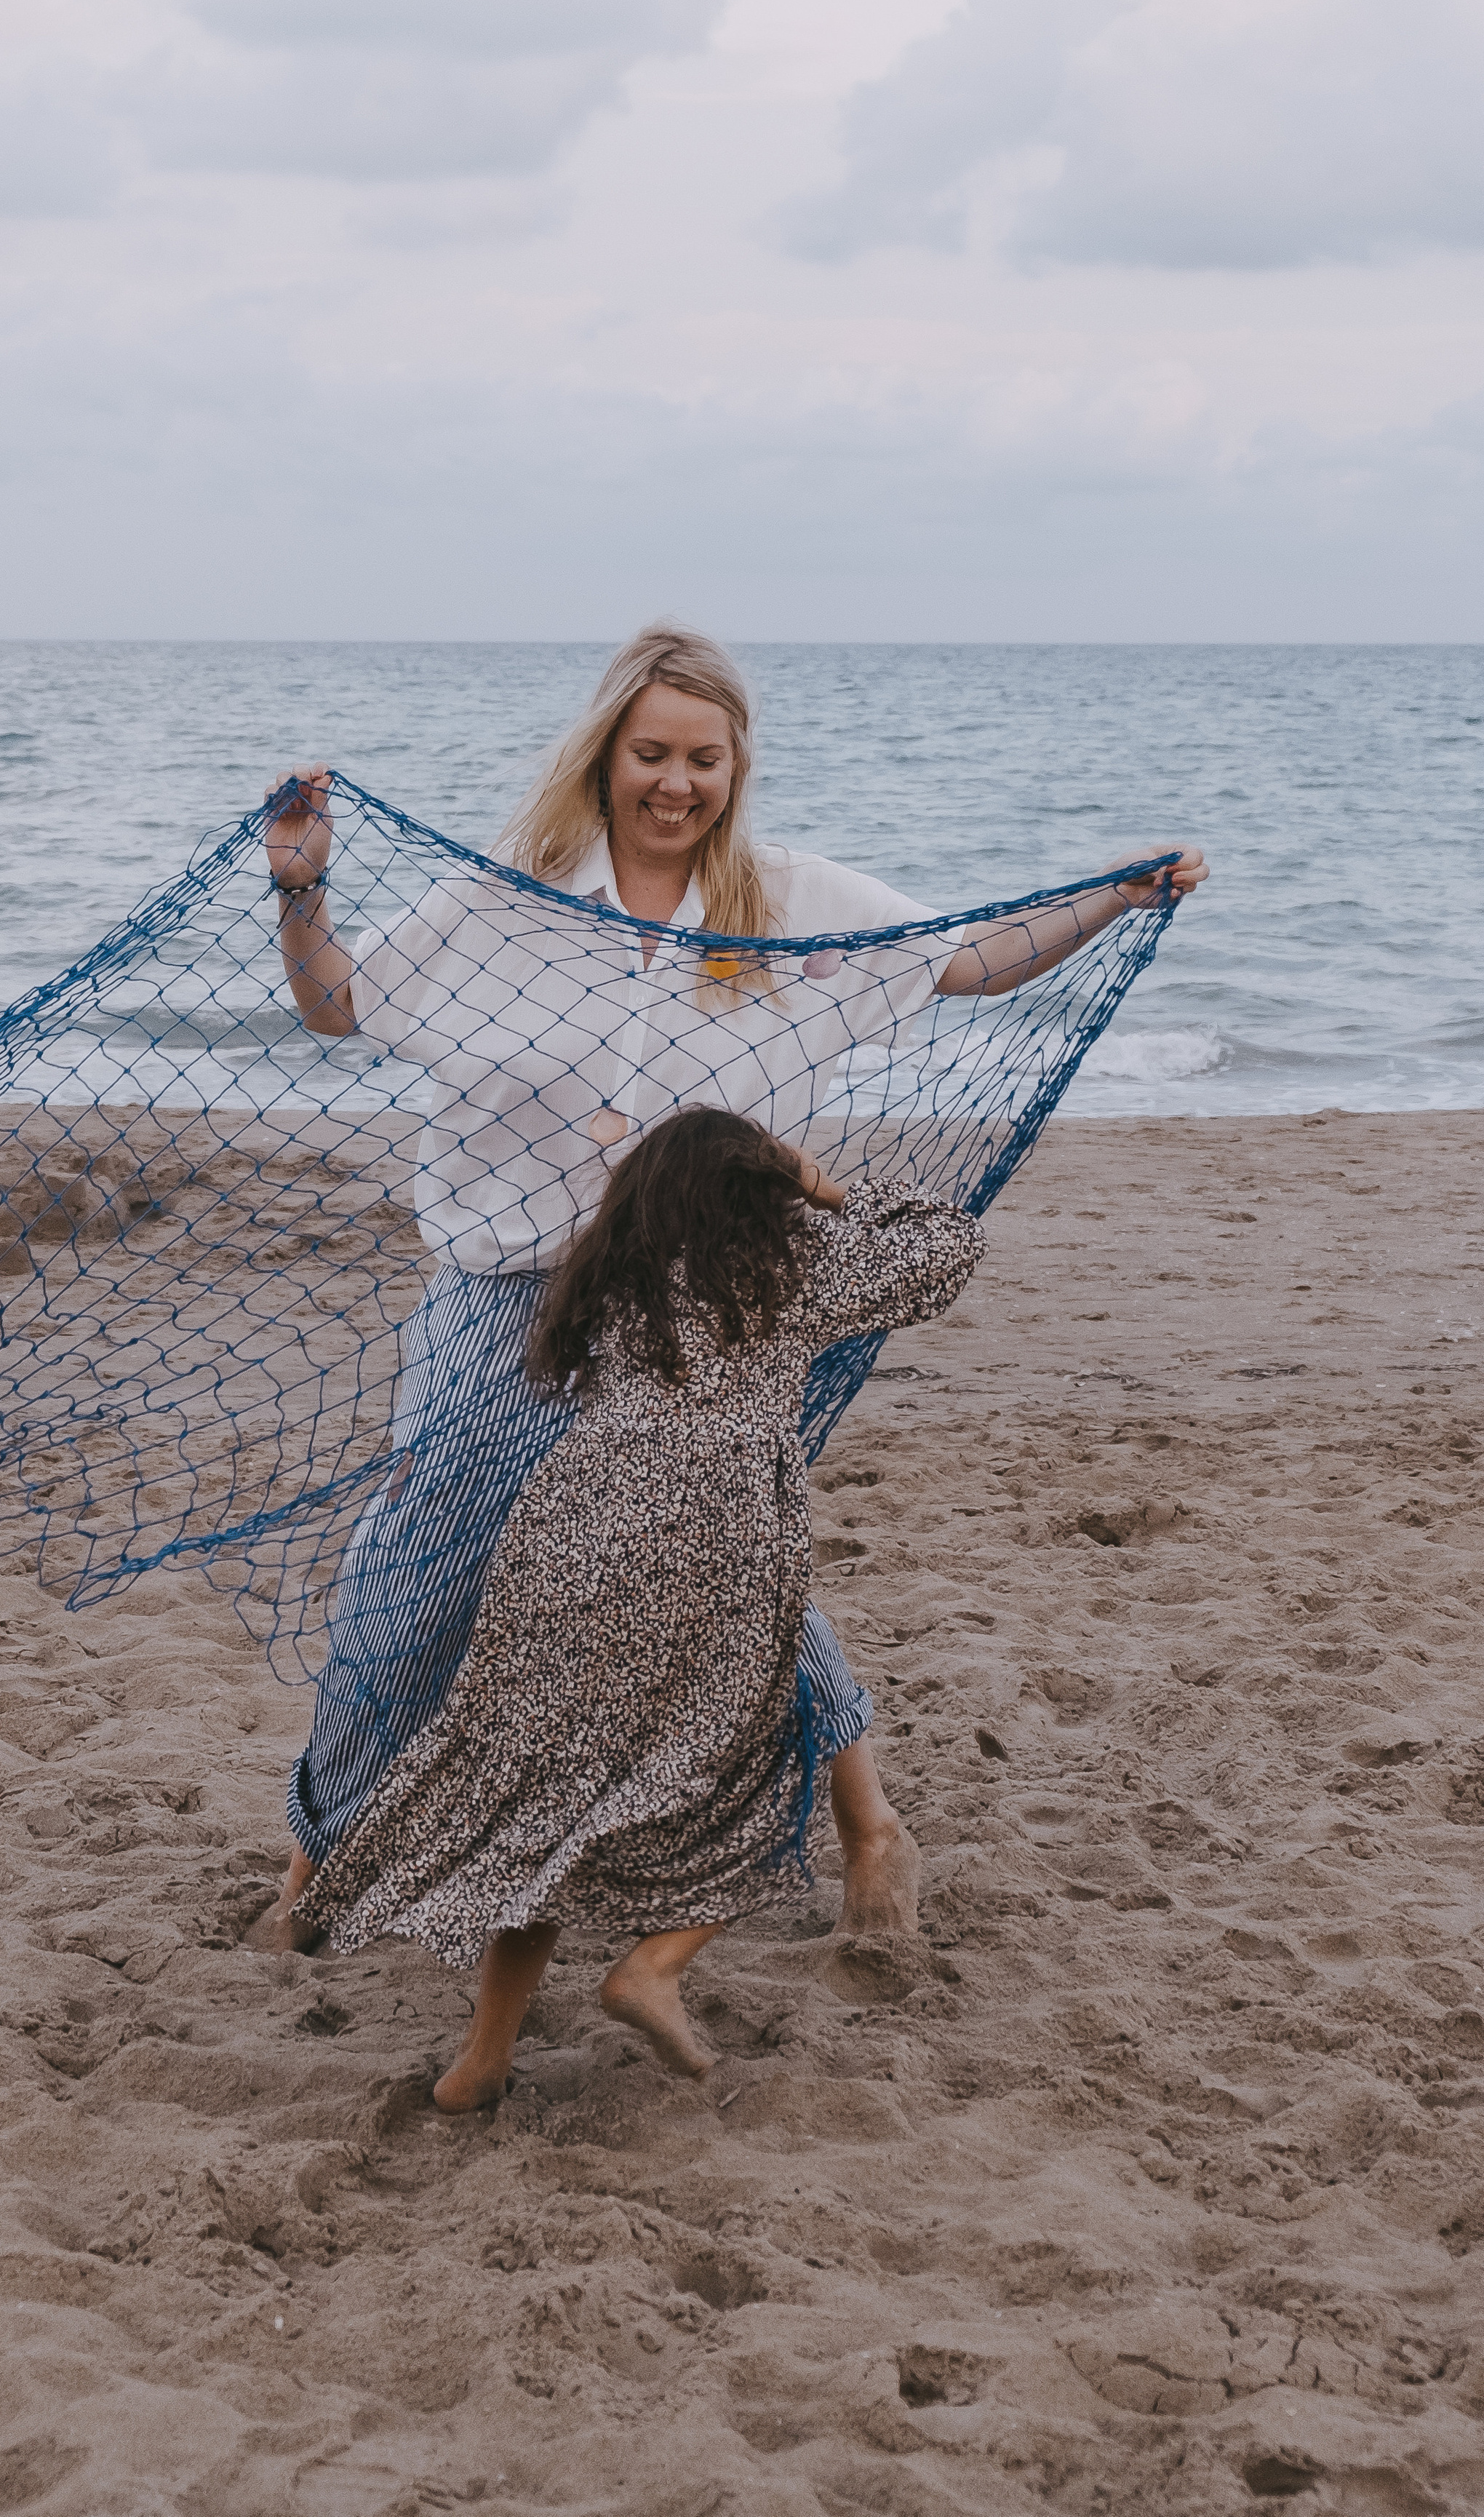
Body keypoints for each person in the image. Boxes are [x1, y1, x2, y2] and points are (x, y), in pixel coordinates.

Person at [250, 624, 1207, 1955]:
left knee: (722, 1562)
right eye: (651, 753)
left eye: (704, 758)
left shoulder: (794, 905)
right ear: (605, 755)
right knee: (417, 1577)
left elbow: (972, 958)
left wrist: (1114, 898)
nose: (675, 783)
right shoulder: (504, 903)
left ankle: (870, 1827)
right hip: (505, 1299)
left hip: (707, 1313)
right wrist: (302, 889)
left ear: (736, 765)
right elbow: (337, 1008)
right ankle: (325, 1852)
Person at [294, 1109, 985, 2109]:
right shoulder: (790, 1269)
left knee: (547, 1790)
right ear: (758, 1191)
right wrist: (829, 1187)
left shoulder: (610, 1274)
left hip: (568, 1530)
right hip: (717, 1532)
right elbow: (945, 1246)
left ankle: (482, 2061)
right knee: (743, 1763)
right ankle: (652, 1968)